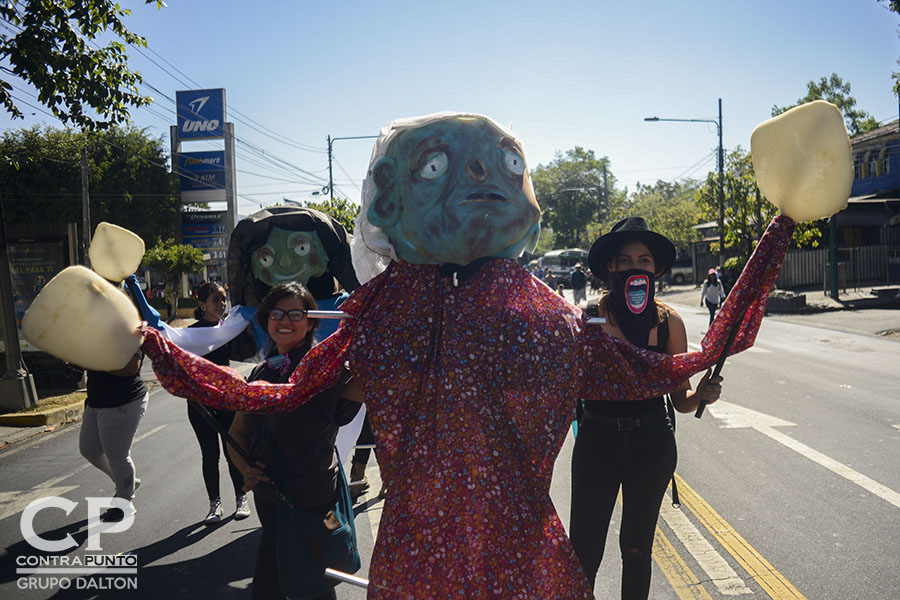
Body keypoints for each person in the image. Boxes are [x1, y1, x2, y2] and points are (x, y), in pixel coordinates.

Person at [570, 216, 724, 598]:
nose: (635, 267)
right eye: (625, 260)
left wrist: (702, 394)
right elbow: (566, 385)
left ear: (654, 268)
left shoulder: (669, 320)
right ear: (610, 267)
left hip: (651, 444)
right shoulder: (589, 317)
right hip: (596, 443)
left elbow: (682, 401)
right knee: (583, 553)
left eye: (644, 260)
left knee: (637, 550)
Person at [227, 282, 362, 600]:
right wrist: (245, 469)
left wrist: (369, 335)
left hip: (311, 500)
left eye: (295, 313)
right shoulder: (260, 372)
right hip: (271, 501)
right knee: (289, 581)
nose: (284, 320)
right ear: (266, 320)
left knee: (305, 585)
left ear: (312, 321)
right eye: (276, 313)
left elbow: (371, 386)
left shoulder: (328, 371)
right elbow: (237, 433)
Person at [186, 281, 249, 523]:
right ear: (201, 304)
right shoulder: (190, 333)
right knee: (209, 455)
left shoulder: (229, 329)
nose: (221, 304)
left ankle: (241, 498)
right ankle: (215, 504)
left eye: (224, 299)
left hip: (227, 400)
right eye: (215, 300)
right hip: (199, 403)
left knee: (233, 449)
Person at [79, 349, 148, 522]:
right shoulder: (91, 331)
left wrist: (93, 362)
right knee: (90, 450)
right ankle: (127, 481)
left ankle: (125, 503)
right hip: (96, 401)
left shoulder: (126, 328)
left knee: (117, 456)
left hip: (123, 401)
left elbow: (131, 368)